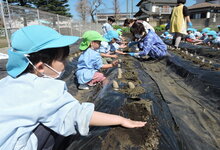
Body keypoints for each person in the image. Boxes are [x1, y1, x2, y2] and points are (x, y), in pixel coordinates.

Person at [0, 25, 146, 150]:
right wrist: (120, 120)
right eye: (62, 59)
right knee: (53, 126)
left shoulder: (7, 82)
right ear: (40, 66)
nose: (66, 63)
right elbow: (77, 115)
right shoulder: (42, 88)